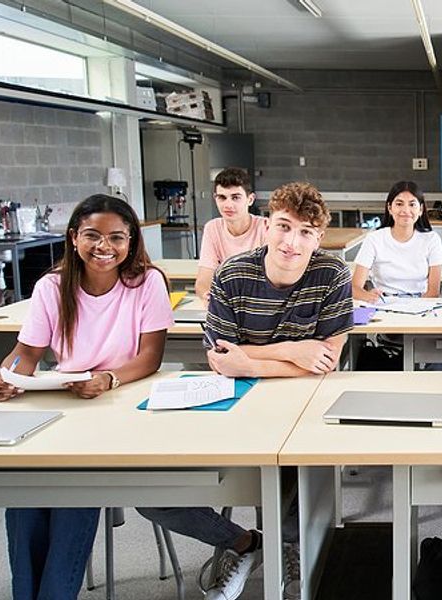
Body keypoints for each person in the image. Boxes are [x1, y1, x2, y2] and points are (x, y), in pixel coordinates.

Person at [140, 181, 354, 600]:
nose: (292, 242)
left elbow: (325, 364)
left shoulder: (332, 274)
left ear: (318, 238)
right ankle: (243, 542)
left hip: (300, 409)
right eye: (284, 226)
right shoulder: (233, 274)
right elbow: (220, 361)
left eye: (306, 232)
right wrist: (293, 350)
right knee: (150, 493)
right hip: (230, 404)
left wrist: (250, 362)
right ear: (267, 225)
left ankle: (289, 546)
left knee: (289, 478)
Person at [0, 194, 173, 600]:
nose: (104, 247)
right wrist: (6, 377)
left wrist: (108, 379)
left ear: (131, 241)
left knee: (71, 491)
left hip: (123, 402)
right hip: (67, 403)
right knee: (23, 495)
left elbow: (150, 357)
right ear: (74, 238)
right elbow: (27, 354)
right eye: (92, 235)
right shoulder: (52, 286)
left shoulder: (146, 282)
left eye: (116, 238)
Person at [352, 180, 442, 302]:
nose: (406, 210)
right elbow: (354, 288)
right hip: (383, 303)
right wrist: (369, 296)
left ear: (421, 209)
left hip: (420, 304)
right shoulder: (374, 239)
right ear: (390, 208)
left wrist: (417, 307)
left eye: (412, 205)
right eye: (399, 204)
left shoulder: (432, 239)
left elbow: (433, 292)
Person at [196, 167, 268, 300]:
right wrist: (207, 296)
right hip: (226, 302)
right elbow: (204, 278)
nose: (228, 205)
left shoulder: (266, 228)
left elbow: (270, 280)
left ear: (250, 199)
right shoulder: (212, 228)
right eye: (222, 198)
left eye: (235, 197)